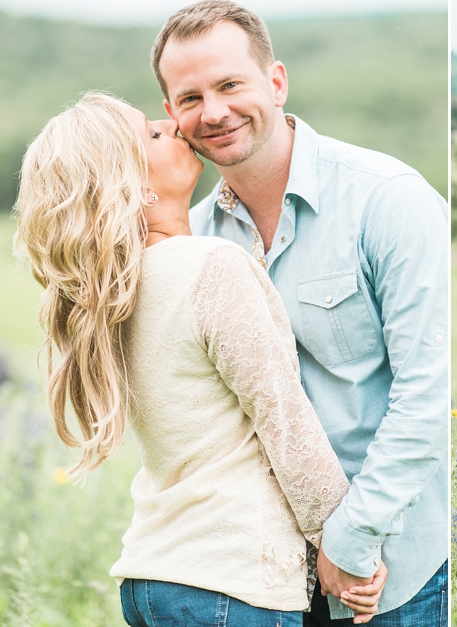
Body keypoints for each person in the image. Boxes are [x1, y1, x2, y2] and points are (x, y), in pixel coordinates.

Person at [14, 92, 386, 625]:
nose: (174, 125)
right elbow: (284, 419)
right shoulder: (210, 268)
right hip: (226, 584)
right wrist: (346, 545)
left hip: (153, 578)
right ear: (136, 188)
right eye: (152, 134)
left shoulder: (113, 295)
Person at [150, 0, 449, 625]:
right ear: (172, 116)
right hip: (268, 584)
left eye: (230, 84)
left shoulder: (388, 200)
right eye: (189, 97)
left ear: (277, 81)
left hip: (391, 577)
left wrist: (350, 542)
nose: (215, 112)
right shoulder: (199, 243)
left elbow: (427, 394)